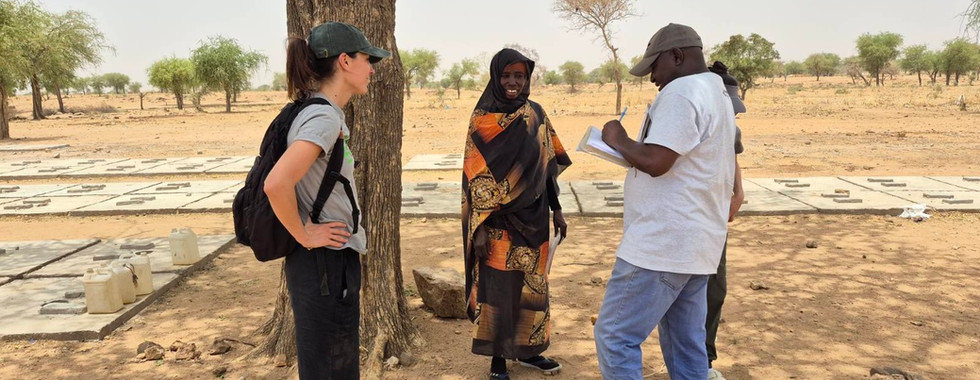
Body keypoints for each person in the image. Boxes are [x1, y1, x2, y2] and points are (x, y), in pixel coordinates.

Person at [592, 23, 736, 380]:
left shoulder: (682, 91)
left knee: (615, 336)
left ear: (676, 56)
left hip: (662, 244)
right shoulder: (716, 91)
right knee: (685, 344)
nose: (653, 77)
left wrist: (618, 138)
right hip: (697, 244)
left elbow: (658, 161)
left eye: (654, 66)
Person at [263, 21, 389, 379]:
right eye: (368, 59)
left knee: (331, 363)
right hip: (323, 264)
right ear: (345, 62)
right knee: (331, 366)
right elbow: (276, 184)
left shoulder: (320, 111)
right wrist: (304, 234)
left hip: (325, 263)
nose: (372, 69)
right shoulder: (323, 118)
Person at [462, 48, 572, 380]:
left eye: (519, 76)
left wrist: (558, 210)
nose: (513, 82)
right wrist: (478, 228)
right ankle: (498, 358)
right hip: (495, 225)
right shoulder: (481, 120)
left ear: (526, 80)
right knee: (497, 292)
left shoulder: (535, 114)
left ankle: (530, 352)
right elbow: (474, 176)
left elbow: (547, 168)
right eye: (507, 75)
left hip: (535, 219)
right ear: (496, 77)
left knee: (533, 289)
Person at [704, 60, 747, 380]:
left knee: (715, 290)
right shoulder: (692, 121)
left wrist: (738, 191)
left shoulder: (730, 127)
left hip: (716, 216)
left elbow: (733, 157)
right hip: (692, 216)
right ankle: (685, 358)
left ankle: (703, 359)